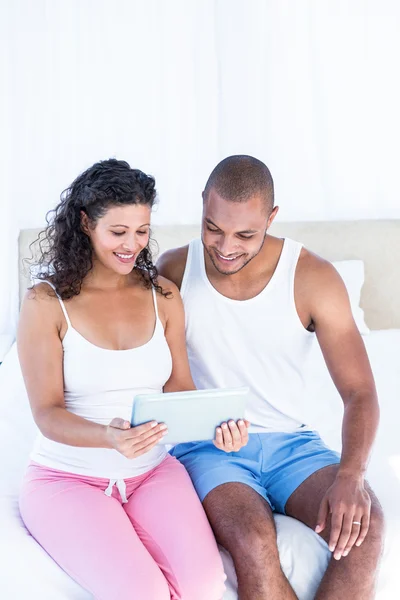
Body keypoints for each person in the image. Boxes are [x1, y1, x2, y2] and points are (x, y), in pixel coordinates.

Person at [157, 155, 385, 600]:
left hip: (291, 445)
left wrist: (351, 476)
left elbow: (360, 392)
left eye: (245, 234)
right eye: (213, 228)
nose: (225, 247)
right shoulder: (174, 271)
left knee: (366, 528)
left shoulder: (313, 277)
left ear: (272, 217)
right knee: (253, 542)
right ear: (202, 204)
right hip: (210, 449)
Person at [17, 159, 244, 600]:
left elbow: (179, 388)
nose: (133, 246)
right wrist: (108, 436)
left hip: (152, 471)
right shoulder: (47, 302)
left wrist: (218, 427)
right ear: (85, 223)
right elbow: (47, 414)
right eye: (118, 232)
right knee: (145, 594)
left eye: (141, 231)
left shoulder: (163, 295)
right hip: (66, 479)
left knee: (203, 588)